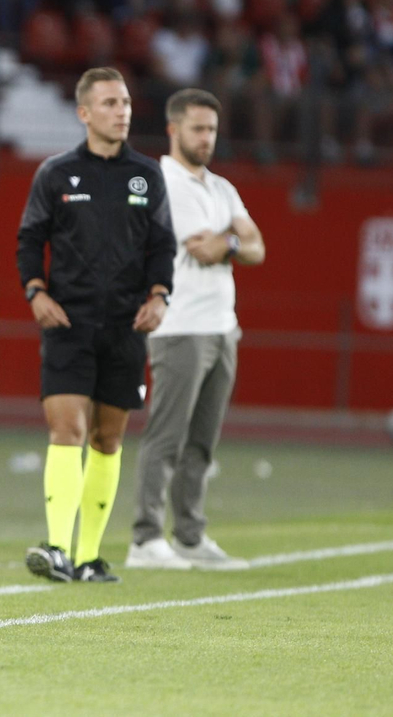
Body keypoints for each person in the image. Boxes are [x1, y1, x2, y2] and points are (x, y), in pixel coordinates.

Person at [16, 66, 176, 583]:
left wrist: (160, 295)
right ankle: (57, 549)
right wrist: (35, 291)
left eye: (125, 103)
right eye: (109, 103)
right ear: (84, 113)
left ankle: (86, 558)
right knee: (68, 428)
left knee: (107, 440)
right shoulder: (56, 174)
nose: (121, 111)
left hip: (126, 326)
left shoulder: (146, 175)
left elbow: (162, 246)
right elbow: (27, 241)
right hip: (69, 322)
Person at [129, 89, 266, 570]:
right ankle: (146, 539)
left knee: (202, 442)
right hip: (181, 325)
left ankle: (189, 535)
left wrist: (229, 240)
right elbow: (207, 249)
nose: (206, 138)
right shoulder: (163, 181)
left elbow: (257, 247)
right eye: (197, 129)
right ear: (173, 129)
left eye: (211, 130)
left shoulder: (221, 187)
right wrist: (235, 240)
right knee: (166, 437)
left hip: (222, 326)